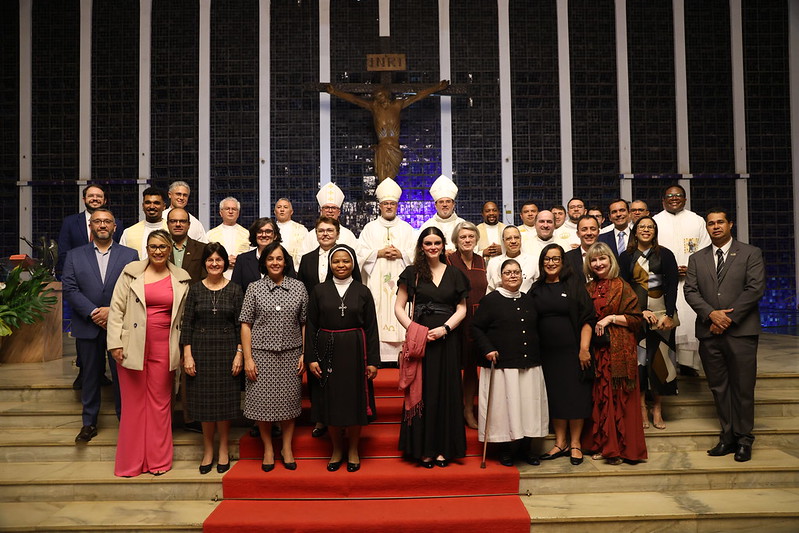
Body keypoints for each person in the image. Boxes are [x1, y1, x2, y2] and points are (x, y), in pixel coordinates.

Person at [107, 229, 192, 477]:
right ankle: (131, 463)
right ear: (147, 248)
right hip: (132, 346)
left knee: (160, 404)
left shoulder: (181, 277)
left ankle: (158, 461)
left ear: (169, 250)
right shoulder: (131, 273)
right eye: (153, 246)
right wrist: (115, 344)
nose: (157, 251)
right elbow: (116, 310)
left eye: (162, 247)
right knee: (133, 405)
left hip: (166, 346)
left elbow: (185, 317)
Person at [684, 208, 765, 463]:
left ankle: (744, 439)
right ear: (706, 228)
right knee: (719, 388)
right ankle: (727, 436)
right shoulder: (698, 258)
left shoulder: (750, 253)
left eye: (720, 222)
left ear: (730, 224)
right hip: (710, 333)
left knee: (742, 387)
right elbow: (691, 291)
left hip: (741, 332)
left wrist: (727, 318)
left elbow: (755, 289)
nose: (716, 227)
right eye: (711, 223)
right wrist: (711, 315)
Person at [62, 208, 138, 443]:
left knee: (122, 376)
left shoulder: (129, 255)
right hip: (88, 324)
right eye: (97, 221)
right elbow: (70, 288)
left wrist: (112, 312)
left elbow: (135, 289)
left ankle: (125, 421)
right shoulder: (75, 255)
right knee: (90, 375)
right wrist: (93, 311)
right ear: (90, 227)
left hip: (119, 325)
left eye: (107, 222)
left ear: (115, 227)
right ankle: (89, 423)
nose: (102, 225)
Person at [395, 227, 468, 467]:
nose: (433, 247)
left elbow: (462, 309)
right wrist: (417, 331)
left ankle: (443, 449)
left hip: (447, 340)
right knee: (423, 393)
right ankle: (423, 449)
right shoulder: (411, 273)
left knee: (445, 392)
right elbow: (398, 307)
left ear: (443, 245)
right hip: (421, 342)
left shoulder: (455, 274)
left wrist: (446, 328)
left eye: (437, 242)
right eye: (428, 243)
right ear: (421, 246)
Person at [306, 244, 379, 472]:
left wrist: (373, 361)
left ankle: (354, 449)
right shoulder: (319, 290)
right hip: (327, 351)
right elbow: (310, 326)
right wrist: (311, 358)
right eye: (336, 261)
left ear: (353, 264)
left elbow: (371, 328)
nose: (341, 265)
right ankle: (337, 449)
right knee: (332, 401)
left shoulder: (362, 291)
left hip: (357, 351)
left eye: (345, 261)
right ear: (330, 264)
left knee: (354, 401)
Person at [472, 259, 548, 466]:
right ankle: (505, 449)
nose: (513, 275)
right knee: (504, 410)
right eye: (508, 272)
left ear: (522, 275)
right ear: (500, 276)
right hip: (503, 366)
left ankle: (527, 449)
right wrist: (488, 348)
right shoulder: (491, 300)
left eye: (516, 272)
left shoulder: (529, 299)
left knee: (529, 408)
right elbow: (476, 327)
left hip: (529, 363)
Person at [240, 242, 308, 472]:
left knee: (289, 404)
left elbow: (305, 323)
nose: (275, 263)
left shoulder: (299, 287)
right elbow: (246, 325)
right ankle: (268, 448)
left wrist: (304, 353)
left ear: (285, 261)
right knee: (263, 405)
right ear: (264, 263)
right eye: (270, 259)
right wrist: (248, 358)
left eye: (279, 258)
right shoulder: (254, 288)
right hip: (261, 355)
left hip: (291, 355)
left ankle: (286, 447)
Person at [180, 243, 244, 474]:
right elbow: (187, 324)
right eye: (210, 260)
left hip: (228, 352)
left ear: (225, 263)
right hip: (201, 352)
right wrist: (187, 355)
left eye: (218, 260)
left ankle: (224, 448)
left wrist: (240, 354)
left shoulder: (236, 289)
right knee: (205, 405)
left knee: (225, 404)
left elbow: (241, 325)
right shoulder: (195, 290)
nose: (214, 264)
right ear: (205, 263)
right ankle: (208, 450)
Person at [581, 242, 647, 465]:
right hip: (597, 353)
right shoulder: (588, 289)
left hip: (619, 352)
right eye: (594, 260)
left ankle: (623, 449)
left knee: (620, 399)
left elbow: (637, 320)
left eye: (603, 259)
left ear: (611, 261)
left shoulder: (623, 286)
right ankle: (603, 445)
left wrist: (611, 318)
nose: (598, 263)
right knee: (600, 399)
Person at [530, 244, 595, 466]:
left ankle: (575, 443)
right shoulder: (536, 288)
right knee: (555, 397)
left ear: (563, 262)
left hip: (574, 351)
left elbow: (587, 318)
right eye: (547, 259)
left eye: (555, 259)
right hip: (547, 354)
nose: (551, 263)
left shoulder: (575, 285)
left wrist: (584, 349)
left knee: (575, 396)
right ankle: (560, 442)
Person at [619, 217, 679, 430]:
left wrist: (669, 314)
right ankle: (642, 407)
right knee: (640, 363)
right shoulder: (626, 257)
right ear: (635, 232)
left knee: (660, 361)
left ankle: (657, 408)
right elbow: (623, 288)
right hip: (636, 315)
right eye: (642, 227)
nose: (646, 230)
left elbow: (672, 286)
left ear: (655, 231)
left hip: (662, 314)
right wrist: (638, 311)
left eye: (650, 227)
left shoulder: (666, 254)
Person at [326, 81, 448, 182]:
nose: (379, 98)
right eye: (377, 97)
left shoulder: (398, 105)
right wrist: (335, 92)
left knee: (392, 179)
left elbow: (417, 96)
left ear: (387, 94)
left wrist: (437, 87)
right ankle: (384, 203)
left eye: (381, 95)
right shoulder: (375, 107)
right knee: (384, 180)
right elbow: (355, 100)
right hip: (383, 148)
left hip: (394, 148)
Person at [653, 184, 712, 375]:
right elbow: (650, 249)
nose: (674, 198)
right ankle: (666, 365)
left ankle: (688, 365)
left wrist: (692, 269)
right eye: (669, 195)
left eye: (678, 195)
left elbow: (706, 248)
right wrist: (666, 270)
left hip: (691, 281)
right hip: (664, 283)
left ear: (685, 199)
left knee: (688, 320)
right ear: (663, 200)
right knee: (665, 320)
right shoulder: (655, 221)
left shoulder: (697, 221)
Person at [358, 178, 415, 363]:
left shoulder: (407, 229)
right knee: (377, 311)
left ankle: (402, 355)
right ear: (380, 206)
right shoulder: (369, 229)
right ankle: (378, 358)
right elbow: (359, 255)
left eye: (392, 203)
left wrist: (402, 254)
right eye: (385, 204)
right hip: (376, 283)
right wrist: (378, 253)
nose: (389, 206)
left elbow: (416, 254)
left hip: (402, 283)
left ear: (397, 206)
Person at [297, 216, 343, 438]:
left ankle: (339, 415)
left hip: (340, 323)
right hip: (315, 322)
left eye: (329, 230)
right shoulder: (306, 260)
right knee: (317, 372)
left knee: (337, 374)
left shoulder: (345, 257)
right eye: (321, 231)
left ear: (337, 233)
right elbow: (301, 290)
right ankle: (320, 418)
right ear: (315, 234)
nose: (325, 234)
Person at [446, 221, 488, 430]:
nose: (467, 240)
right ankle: (451, 410)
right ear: (456, 240)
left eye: (471, 237)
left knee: (472, 368)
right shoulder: (448, 260)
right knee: (453, 367)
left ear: (476, 239)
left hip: (477, 322)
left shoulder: (482, 261)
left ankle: (469, 410)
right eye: (463, 237)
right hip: (454, 321)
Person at [58, 184, 123, 275]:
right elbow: (64, 253)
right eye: (91, 196)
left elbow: (120, 253)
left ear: (105, 201)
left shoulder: (116, 224)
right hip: (77, 275)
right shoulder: (70, 222)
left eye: (99, 196)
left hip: (108, 276)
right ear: (84, 199)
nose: (95, 198)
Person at [231, 217, 296, 294]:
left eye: (268, 231)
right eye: (260, 231)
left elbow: (292, 289)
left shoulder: (286, 259)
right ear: (255, 235)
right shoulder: (242, 260)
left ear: (275, 236)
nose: (264, 235)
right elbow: (235, 291)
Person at [298, 182, 359, 256]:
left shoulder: (348, 235)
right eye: (326, 207)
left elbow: (356, 258)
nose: (330, 211)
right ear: (321, 211)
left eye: (333, 208)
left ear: (339, 212)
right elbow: (302, 259)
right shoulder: (310, 236)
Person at [418, 175, 467, 252]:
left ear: (453, 204)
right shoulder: (427, 226)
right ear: (435, 205)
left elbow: (472, 248)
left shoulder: (462, 224)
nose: (445, 205)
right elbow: (419, 249)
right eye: (441, 202)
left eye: (448, 201)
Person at [206, 197, 251, 280]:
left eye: (234, 209)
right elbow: (206, 258)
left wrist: (238, 261)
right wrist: (225, 260)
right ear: (221, 212)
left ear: (238, 213)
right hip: (218, 276)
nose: (230, 212)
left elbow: (251, 257)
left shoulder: (247, 234)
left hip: (242, 275)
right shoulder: (210, 234)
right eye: (227, 209)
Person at [120, 187, 168, 259]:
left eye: (156, 203)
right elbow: (122, 259)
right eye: (148, 203)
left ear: (164, 206)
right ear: (143, 206)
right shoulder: (129, 232)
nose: (152, 206)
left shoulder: (171, 231)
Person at [486, 226, 537, 292]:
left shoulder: (534, 261)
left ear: (521, 239)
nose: (513, 241)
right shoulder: (493, 263)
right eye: (508, 238)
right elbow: (490, 290)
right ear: (503, 241)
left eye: (516, 237)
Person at [167, 207, 206, 284]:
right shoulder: (160, 249)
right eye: (173, 221)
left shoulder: (202, 249)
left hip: (194, 294)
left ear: (189, 225)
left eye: (182, 221)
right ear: (167, 224)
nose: (178, 224)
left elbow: (206, 279)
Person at [274, 198, 309, 265]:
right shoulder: (270, 229)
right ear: (275, 212)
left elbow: (306, 252)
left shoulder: (301, 229)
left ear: (291, 212)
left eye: (285, 207)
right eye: (279, 207)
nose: (282, 210)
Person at [564, 214, 601, 280]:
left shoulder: (608, 256)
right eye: (584, 229)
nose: (589, 233)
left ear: (598, 232)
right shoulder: (567, 258)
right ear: (578, 234)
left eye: (593, 229)